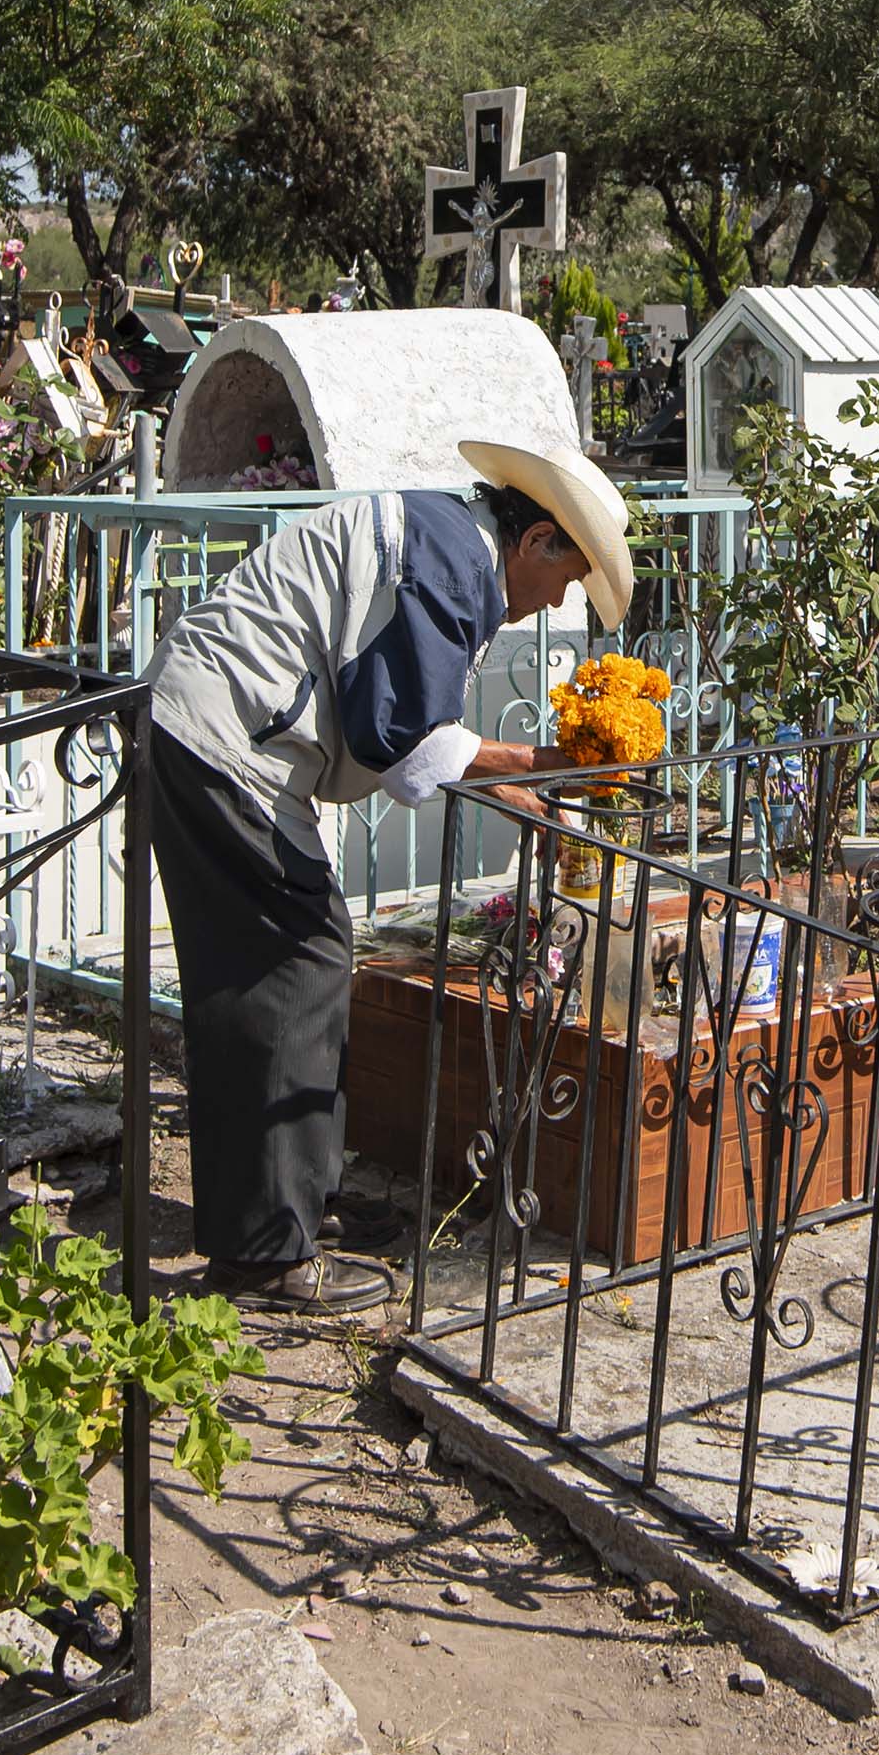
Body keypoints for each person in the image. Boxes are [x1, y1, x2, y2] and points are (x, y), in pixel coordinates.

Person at [144, 439, 638, 1310]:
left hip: (224, 734)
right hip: (225, 737)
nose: (559, 599)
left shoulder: (448, 547)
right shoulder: (451, 559)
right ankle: (265, 1250)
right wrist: (533, 760)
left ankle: (298, 1202)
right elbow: (396, 738)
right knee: (293, 970)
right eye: (566, 575)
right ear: (533, 543)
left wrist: (512, 781)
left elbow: (406, 729)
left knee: (295, 966)